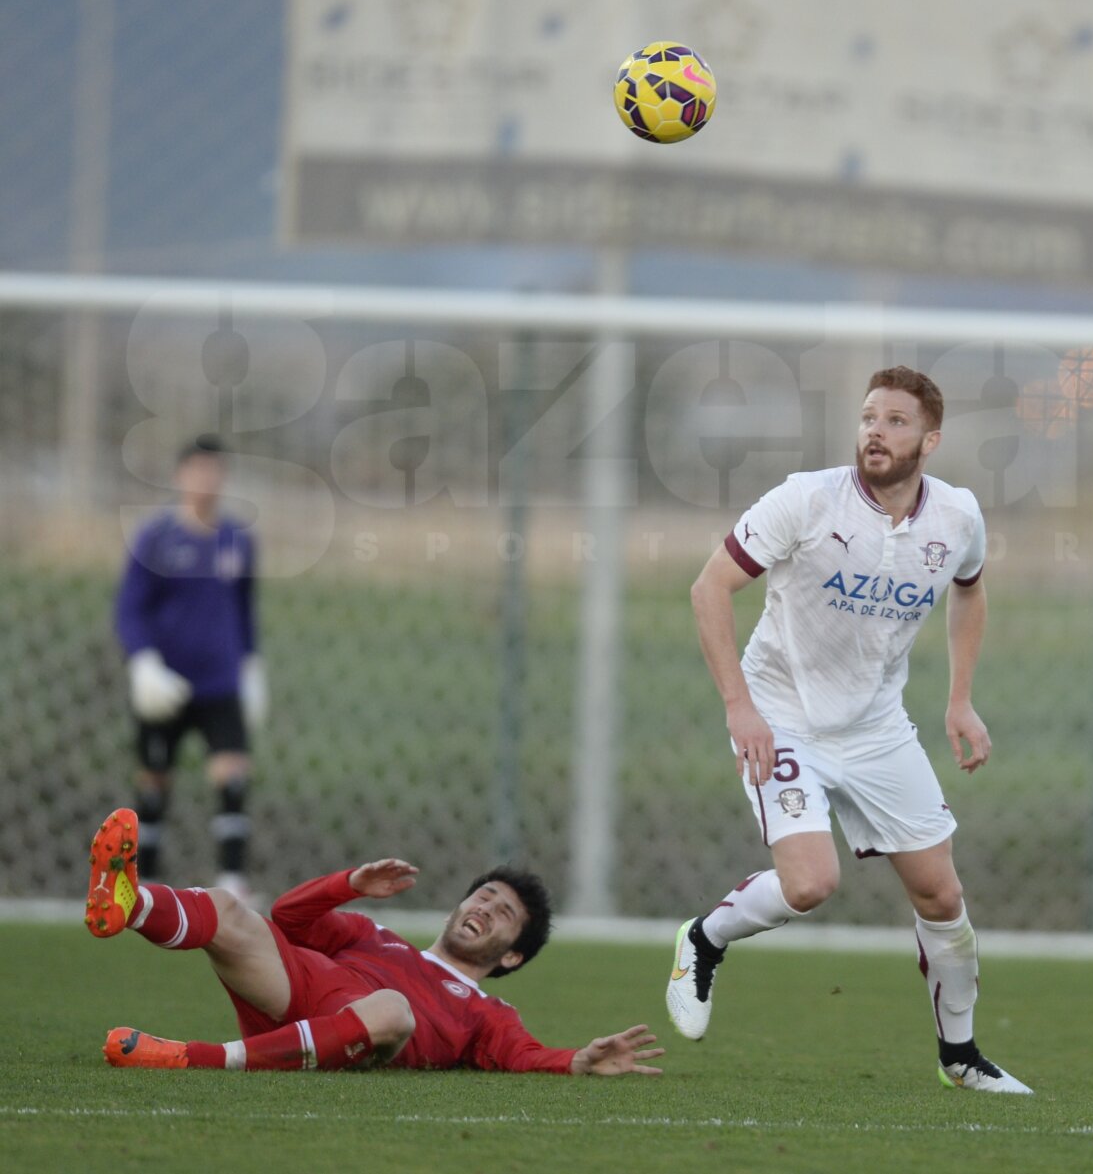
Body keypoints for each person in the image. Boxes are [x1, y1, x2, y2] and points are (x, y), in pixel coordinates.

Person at [665, 366, 1032, 1095]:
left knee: (941, 896)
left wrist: (961, 701)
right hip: (782, 715)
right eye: (869, 416)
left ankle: (960, 1056)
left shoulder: (956, 516)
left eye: (896, 421)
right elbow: (709, 587)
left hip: (876, 726)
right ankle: (703, 938)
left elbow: (971, 590)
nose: (876, 431)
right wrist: (741, 708)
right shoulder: (805, 499)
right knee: (811, 883)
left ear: (929, 439)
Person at [85, 808, 664, 1077]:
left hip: (362, 1035)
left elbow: (524, 1057)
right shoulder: (375, 937)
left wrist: (579, 1062)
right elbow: (288, 920)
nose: (486, 908)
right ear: (459, 904)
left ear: (512, 954)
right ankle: (129, 905)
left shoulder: (490, 1012)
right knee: (230, 907)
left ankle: (195, 1057)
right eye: (484, 896)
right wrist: (347, 885)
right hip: (293, 998)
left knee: (392, 1009)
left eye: (505, 913)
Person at [114, 436, 268, 900]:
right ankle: (148, 884)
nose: (207, 481)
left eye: (215, 472)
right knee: (155, 779)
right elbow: (130, 608)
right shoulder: (155, 538)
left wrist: (252, 665)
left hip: (219, 681)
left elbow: (244, 609)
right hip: (167, 682)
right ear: (182, 476)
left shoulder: (238, 540)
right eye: (199, 471)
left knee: (232, 774)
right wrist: (142, 662)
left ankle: (232, 882)